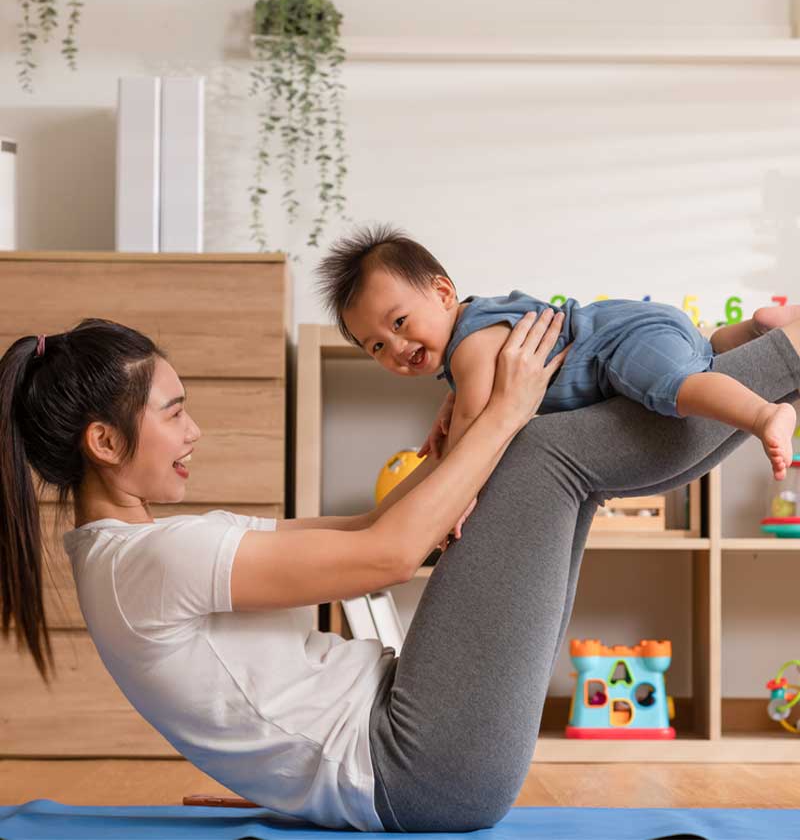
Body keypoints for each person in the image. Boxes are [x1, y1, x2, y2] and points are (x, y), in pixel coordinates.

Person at [2, 312, 800, 832]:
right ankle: (784, 357)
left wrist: (455, 442)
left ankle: (758, 363)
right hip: (420, 765)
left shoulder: (140, 554)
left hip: (413, 742)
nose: (194, 431)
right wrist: (502, 413)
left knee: (538, 453)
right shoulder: (152, 561)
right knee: (540, 451)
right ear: (104, 442)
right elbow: (387, 556)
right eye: (173, 411)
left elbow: (364, 528)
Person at [316, 225, 800, 535]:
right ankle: (757, 329)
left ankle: (763, 413)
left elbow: (474, 432)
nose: (396, 347)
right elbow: (474, 403)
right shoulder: (472, 336)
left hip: (619, 343)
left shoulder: (470, 345)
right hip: (638, 327)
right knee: (707, 352)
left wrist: (456, 499)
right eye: (376, 346)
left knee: (676, 386)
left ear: (443, 293)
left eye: (399, 323)